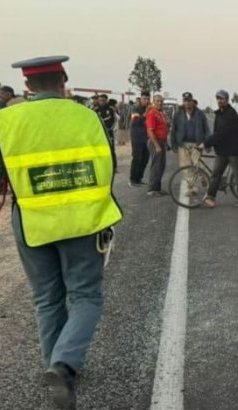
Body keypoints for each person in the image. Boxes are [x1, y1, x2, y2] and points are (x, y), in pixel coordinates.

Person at [0, 55, 122, 409]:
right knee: (85, 297)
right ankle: (63, 365)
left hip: (33, 222)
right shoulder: (86, 116)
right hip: (82, 221)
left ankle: (55, 365)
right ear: (63, 79)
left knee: (47, 299)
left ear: (27, 87)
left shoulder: (7, 119)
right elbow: (108, 164)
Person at [202, 90, 238, 208]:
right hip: (222, 150)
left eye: (222, 99)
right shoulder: (219, 113)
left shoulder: (231, 114)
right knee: (216, 174)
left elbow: (222, 133)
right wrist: (210, 144)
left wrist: (206, 143)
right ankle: (210, 197)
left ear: (227, 100)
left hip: (234, 150)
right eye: (218, 98)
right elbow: (216, 132)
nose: (219, 101)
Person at [170, 91, 210, 196]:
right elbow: (173, 130)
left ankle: (205, 179)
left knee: (198, 164)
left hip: (197, 144)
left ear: (192, 101)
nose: (187, 103)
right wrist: (173, 144)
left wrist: (207, 144)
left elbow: (206, 129)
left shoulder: (200, 114)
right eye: (185, 101)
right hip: (183, 145)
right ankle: (192, 188)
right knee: (186, 167)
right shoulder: (178, 114)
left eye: (189, 101)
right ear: (183, 102)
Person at [145, 94, 169, 196]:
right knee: (156, 166)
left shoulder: (161, 113)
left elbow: (164, 128)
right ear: (153, 102)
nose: (159, 103)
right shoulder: (152, 113)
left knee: (161, 166)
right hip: (155, 142)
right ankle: (152, 190)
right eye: (157, 101)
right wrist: (156, 145)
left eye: (161, 101)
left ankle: (157, 188)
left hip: (162, 142)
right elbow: (150, 131)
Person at [129, 92, 151, 187]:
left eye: (147, 99)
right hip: (137, 138)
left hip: (146, 138)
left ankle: (139, 178)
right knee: (137, 158)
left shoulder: (149, 109)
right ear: (140, 99)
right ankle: (133, 180)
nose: (146, 100)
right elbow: (136, 121)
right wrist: (146, 113)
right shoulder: (135, 109)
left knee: (145, 159)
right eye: (144, 99)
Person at [94, 94, 117, 168]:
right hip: (99, 133)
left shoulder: (111, 109)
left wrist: (110, 128)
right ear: (98, 100)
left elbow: (115, 120)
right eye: (100, 100)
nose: (102, 102)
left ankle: (113, 166)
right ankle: (101, 165)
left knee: (111, 149)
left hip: (109, 132)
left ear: (106, 100)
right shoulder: (95, 109)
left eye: (104, 100)